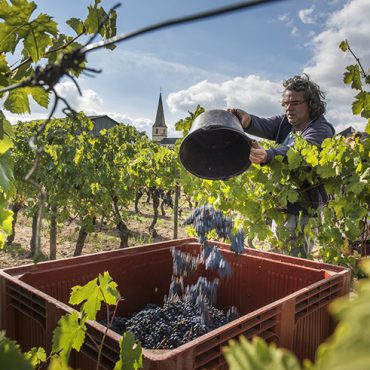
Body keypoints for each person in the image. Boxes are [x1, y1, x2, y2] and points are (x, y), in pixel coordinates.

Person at [228, 74, 335, 258]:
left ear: (311, 103)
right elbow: (265, 124)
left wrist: (268, 155)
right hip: (284, 206)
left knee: (294, 260)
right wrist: (247, 120)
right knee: (281, 255)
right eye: (285, 104)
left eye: (294, 103)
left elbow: (298, 154)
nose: (288, 108)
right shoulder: (286, 123)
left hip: (303, 212)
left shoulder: (320, 129)